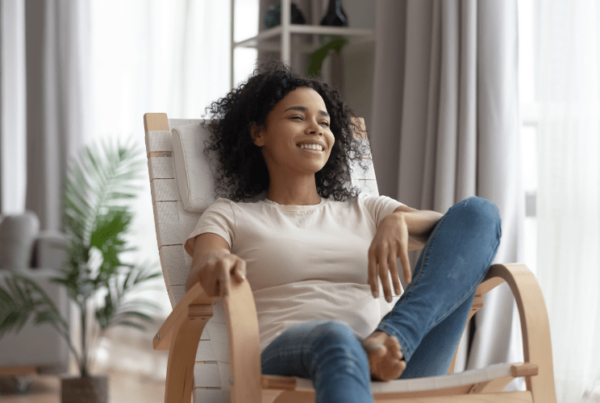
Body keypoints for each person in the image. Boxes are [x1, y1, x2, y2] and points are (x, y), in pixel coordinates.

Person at [184, 61, 502, 403]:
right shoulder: (231, 214)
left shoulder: (366, 208)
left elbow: (465, 232)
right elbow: (201, 271)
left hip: (395, 366)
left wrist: (399, 221)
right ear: (258, 133)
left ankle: (390, 340)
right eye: (297, 117)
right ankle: (373, 348)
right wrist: (216, 265)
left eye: (324, 122)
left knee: (481, 212)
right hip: (288, 362)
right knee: (336, 335)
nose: (315, 129)